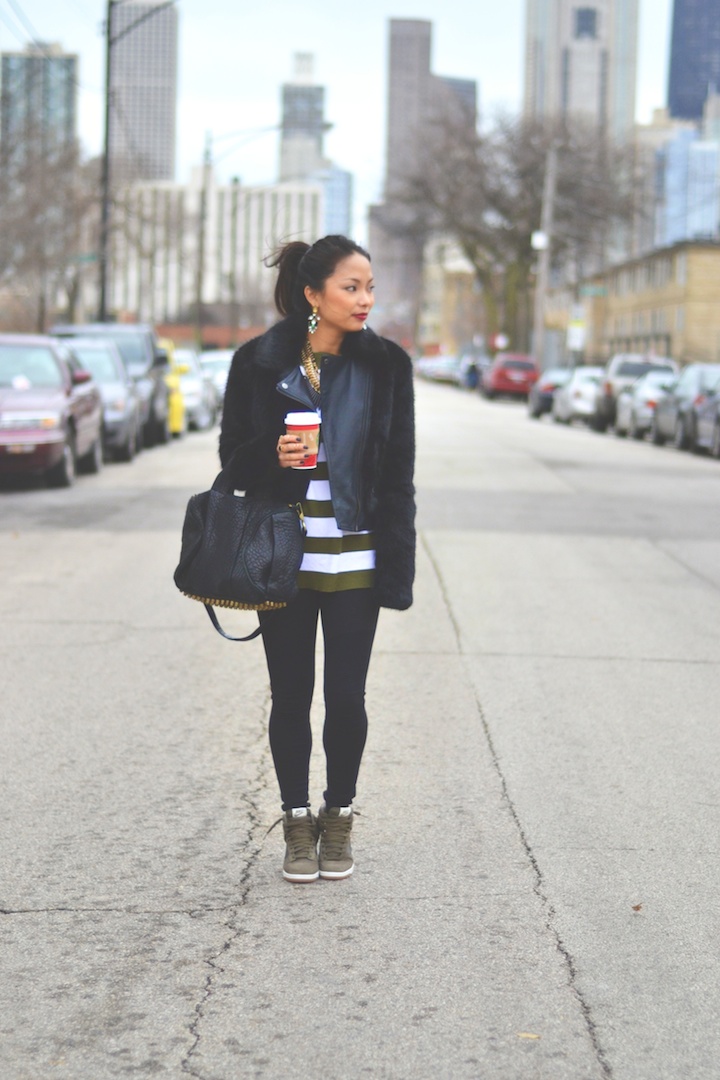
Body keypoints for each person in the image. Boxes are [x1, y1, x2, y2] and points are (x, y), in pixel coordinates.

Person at [219, 235, 416, 883]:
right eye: (350, 288)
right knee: (291, 696)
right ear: (312, 295)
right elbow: (232, 460)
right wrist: (270, 455)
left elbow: (397, 475)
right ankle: (296, 821)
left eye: (369, 287)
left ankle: (340, 817)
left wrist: (397, 564)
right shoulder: (259, 362)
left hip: (357, 556)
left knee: (347, 697)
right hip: (287, 555)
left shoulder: (387, 365)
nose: (365, 300)